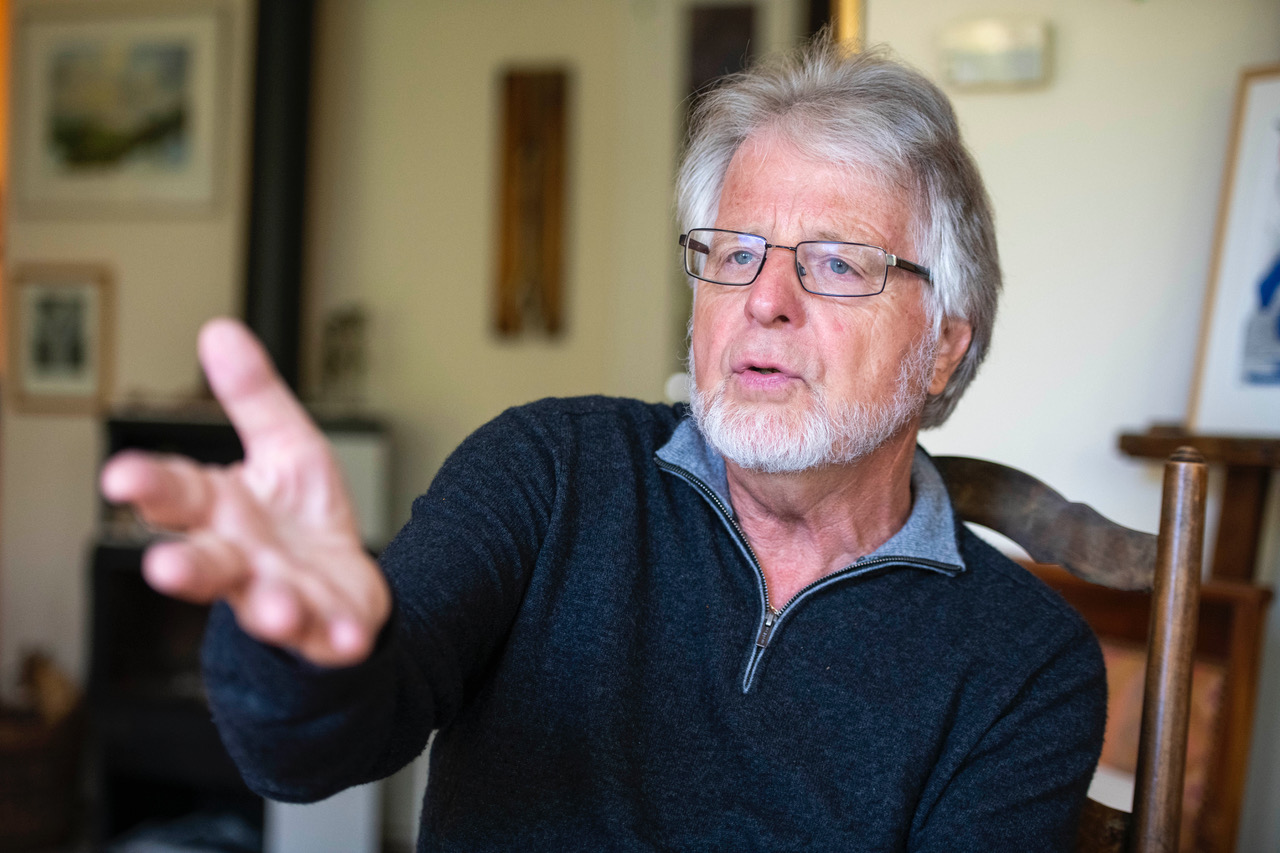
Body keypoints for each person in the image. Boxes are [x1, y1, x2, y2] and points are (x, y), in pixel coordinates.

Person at [101, 36, 1106, 852]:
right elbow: (321, 744)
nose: (761, 301)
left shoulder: (1024, 660)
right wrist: (302, 651)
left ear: (941, 347)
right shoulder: (550, 470)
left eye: (834, 264)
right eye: (732, 253)